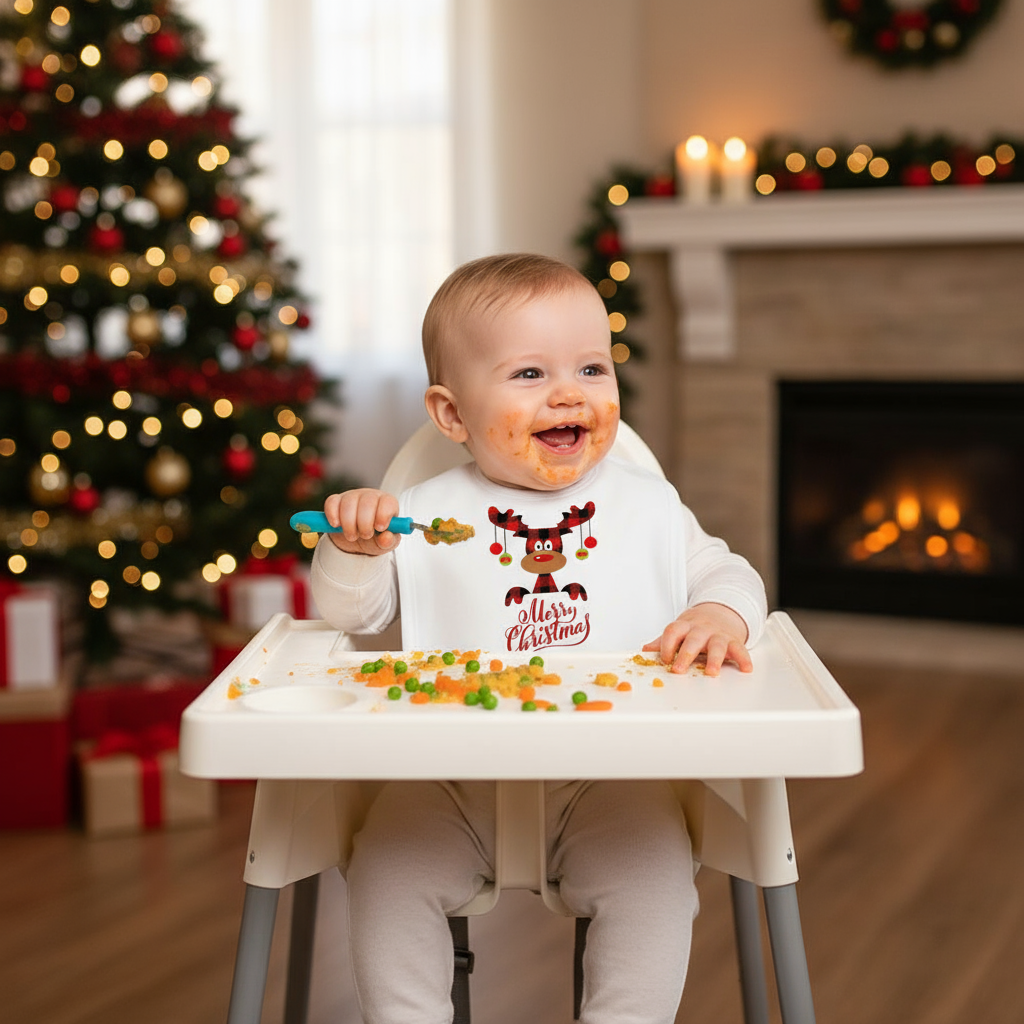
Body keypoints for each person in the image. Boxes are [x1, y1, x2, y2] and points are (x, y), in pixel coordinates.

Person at [311, 253, 767, 1024]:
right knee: (385, 873)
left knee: (657, 883)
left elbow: (731, 575)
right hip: (447, 778)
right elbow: (352, 617)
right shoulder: (419, 515)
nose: (568, 393)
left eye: (592, 368)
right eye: (529, 374)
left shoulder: (647, 508)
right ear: (452, 416)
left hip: (611, 776)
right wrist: (353, 552)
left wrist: (719, 616)